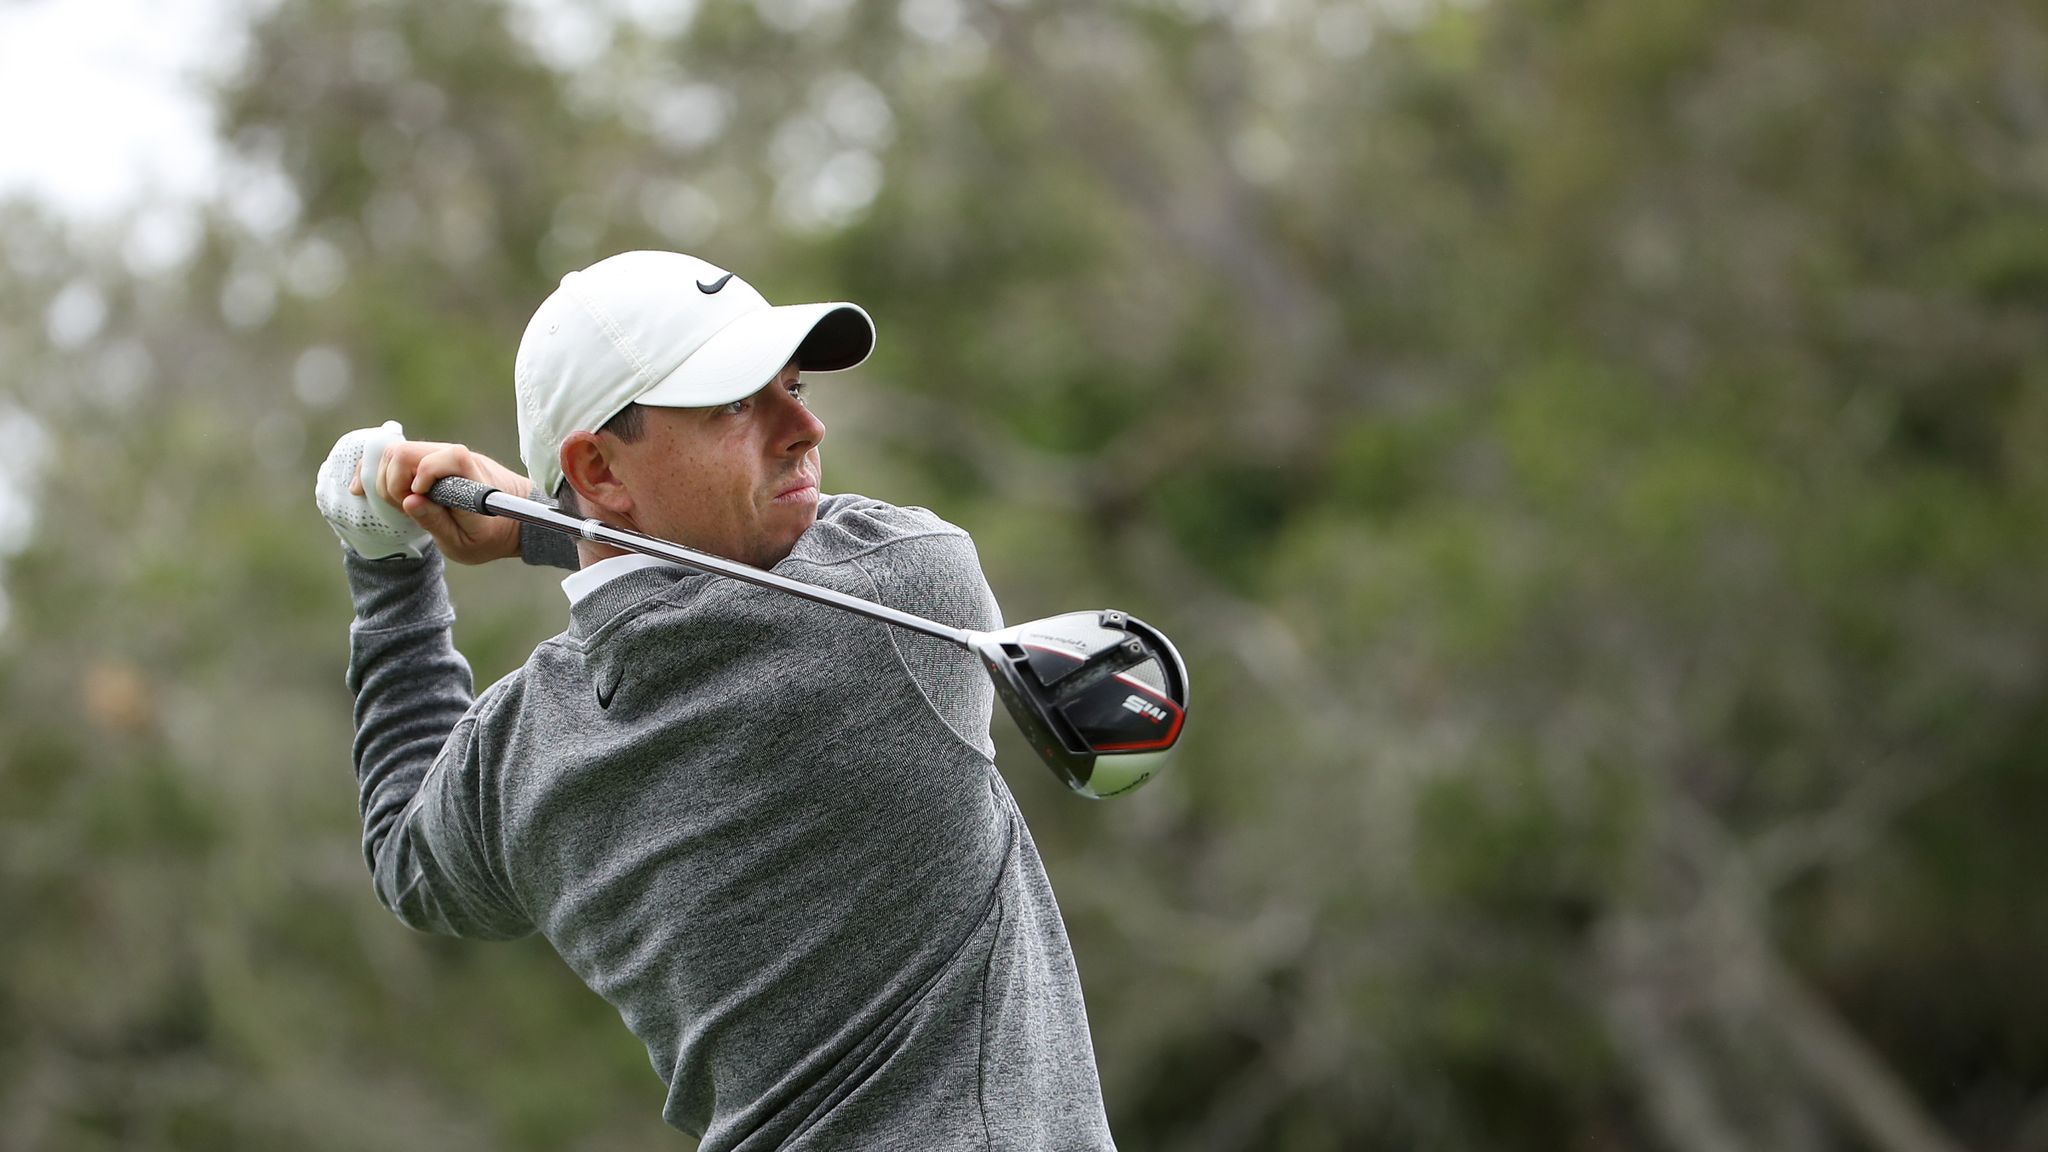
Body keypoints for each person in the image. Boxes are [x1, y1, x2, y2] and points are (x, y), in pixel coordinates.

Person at [312, 251, 1117, 1150]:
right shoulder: (902, 599)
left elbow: (405, 857)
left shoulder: (518, 757)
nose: (805, 426)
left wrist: (387, 566)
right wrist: (534, 523)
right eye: (735, 403)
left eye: (794, 387)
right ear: (599, 469)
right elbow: (762, 567)